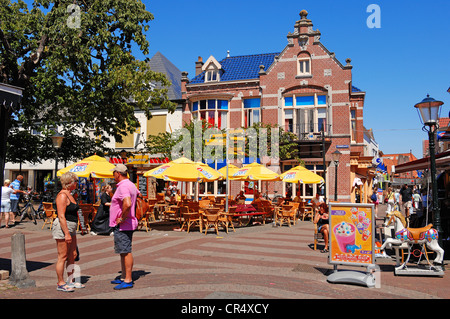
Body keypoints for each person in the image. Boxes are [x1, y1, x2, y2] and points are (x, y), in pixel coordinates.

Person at [109, 164, 140, 290]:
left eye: (114, 173)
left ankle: (128, 279)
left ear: (118, 173)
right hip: (127, 224)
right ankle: (123, 276)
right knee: (123, 251)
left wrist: (122, 217)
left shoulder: (123, 186)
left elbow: (127, 203)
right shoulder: (131, 184)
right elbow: (138, 194)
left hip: (123, 225)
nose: (113, 176)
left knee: (126, 251)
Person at [53, 172, 83, 292]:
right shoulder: (62, 196)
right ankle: (60, 282)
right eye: (75, 181)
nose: (77, 183)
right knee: (63, 256)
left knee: (73, 255)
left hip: (72, 227)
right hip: (63, 227)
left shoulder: (70, 195)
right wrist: (66, 233)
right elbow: (61, 216)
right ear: (69, 183)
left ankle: (70, 280)